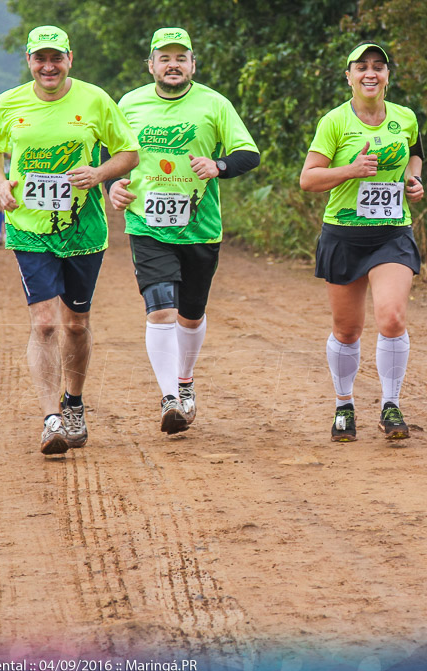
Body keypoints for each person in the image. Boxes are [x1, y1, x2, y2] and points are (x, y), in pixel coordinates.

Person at [0, 25, 139, 456]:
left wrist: (100, 173)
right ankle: (51, 418)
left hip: (84, 229)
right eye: (39, 58)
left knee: (75, 324)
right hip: (28, 227)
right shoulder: (7, 103)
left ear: (70, 58)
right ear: (29, 62)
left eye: (56, 58)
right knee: (45, 322)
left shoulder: (94, 99)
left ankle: (74, 401)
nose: (48, 66)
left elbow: (128, 152)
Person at [108, 27, 260, 434]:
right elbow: (113, 154)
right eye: (164, 58)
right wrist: (113, 184)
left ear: (193, 64)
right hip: (146, 223)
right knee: (160, 309)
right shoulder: (130, 103)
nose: (172, 65)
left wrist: (219, 166)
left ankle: (185, 380)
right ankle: (170, 398)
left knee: (190, 315)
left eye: (181, 58)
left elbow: (249, 153)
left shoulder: (214, 103)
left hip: (200, 227)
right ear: (152, 65)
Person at [299, 42, 425, 442]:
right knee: (347, 330)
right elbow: (308, 179)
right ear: (349, 76)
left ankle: (391, 404)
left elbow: (416, 153)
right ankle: (344, 406)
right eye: (362, 67)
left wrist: (414, 179)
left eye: (378, 67)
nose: (371, 73)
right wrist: (351, 170)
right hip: (344, 234)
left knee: (392, 318)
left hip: (392, 233)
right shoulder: (334, 122)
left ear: (388, 75)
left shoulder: (404, 117)